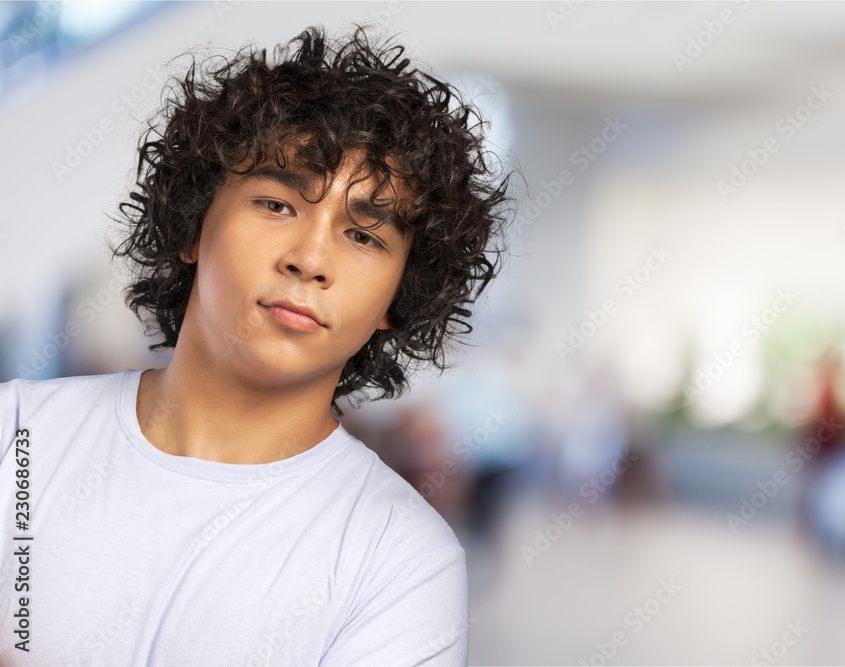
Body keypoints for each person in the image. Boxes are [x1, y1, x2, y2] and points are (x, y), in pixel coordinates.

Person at [0, 23, 512, 666]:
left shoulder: (400, 559)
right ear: (192, 228)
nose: (310, 259)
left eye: (364, 237)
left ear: (395, 300)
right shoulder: (17, 435)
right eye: (276, 204)